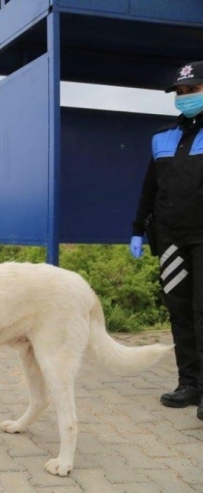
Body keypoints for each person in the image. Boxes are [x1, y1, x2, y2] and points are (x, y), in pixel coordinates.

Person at [130, 60, 203, 421]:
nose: (184, 97)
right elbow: (149, 189)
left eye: (192, 90)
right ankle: (189, 384)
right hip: (171, 241)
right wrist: (135, 230)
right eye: (180, 92)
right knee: (180, 312)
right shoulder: (162, 138)